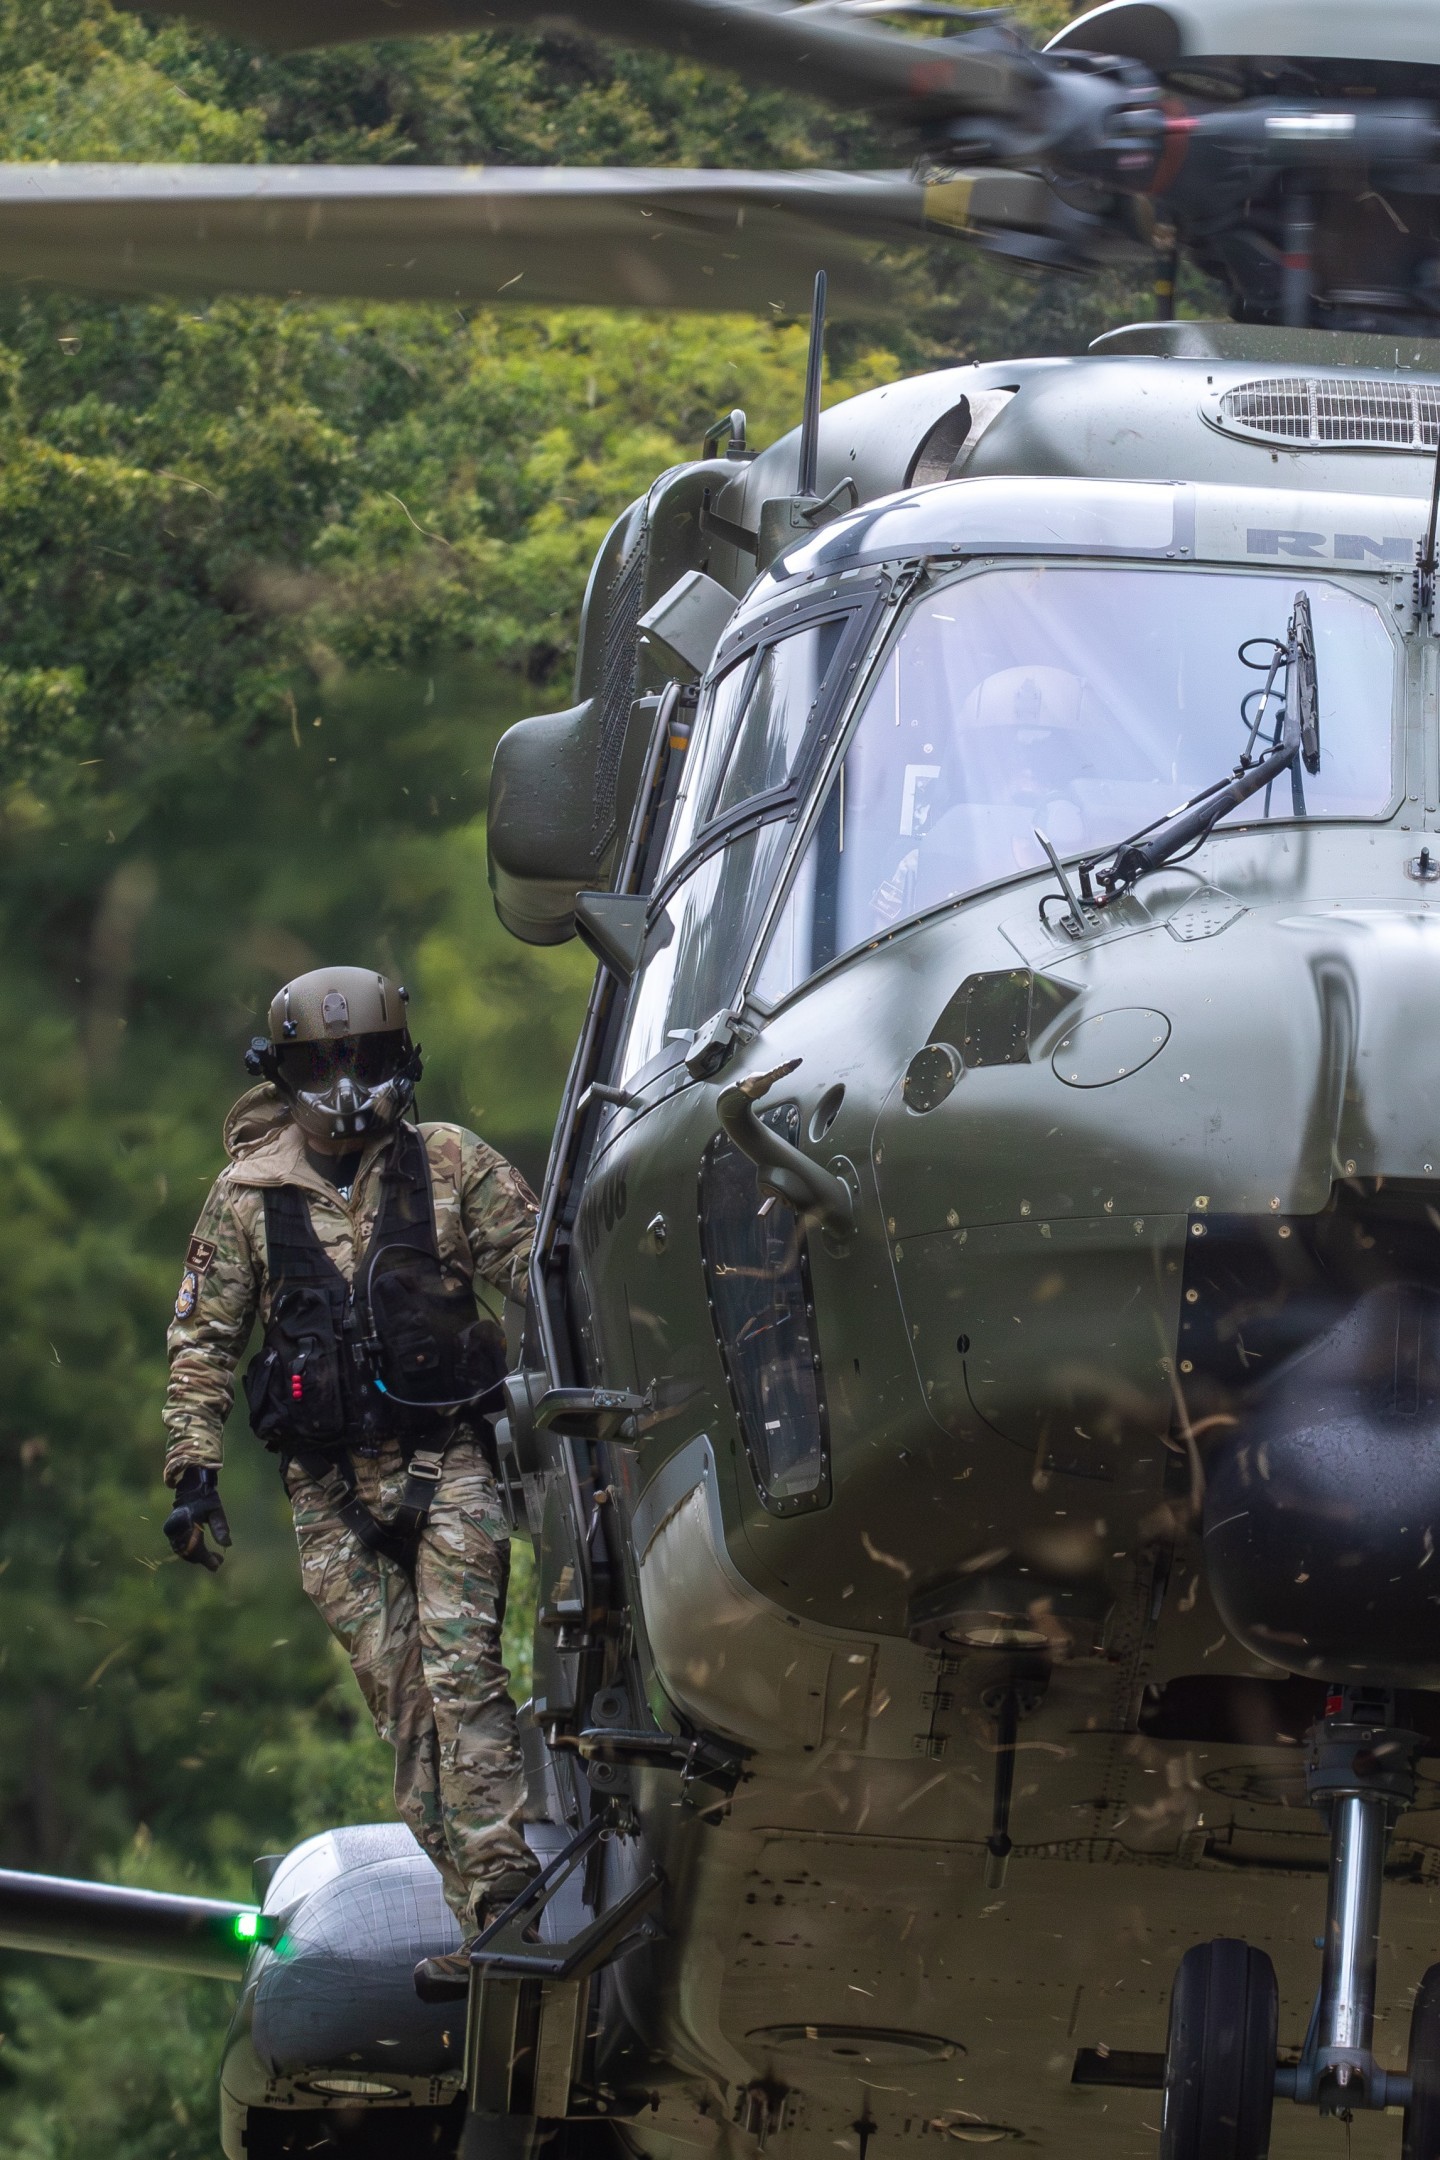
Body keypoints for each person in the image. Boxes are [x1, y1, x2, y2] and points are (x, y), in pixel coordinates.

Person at [160, 965, 540, 2000]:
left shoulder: (451, 1163)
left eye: (364, 1059)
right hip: (329, 1495)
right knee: (409, 1708)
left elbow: (550, 1273)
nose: (346, 1084)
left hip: (450, 1461)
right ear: (284, 1075)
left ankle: (509, 1913)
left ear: (397, 1061)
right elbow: (202, 1339)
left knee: (466, 1686)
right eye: (324, 1064)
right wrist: (192, 1474)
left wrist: (586, 1407)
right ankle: (480, 1913)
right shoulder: (247, 1200)